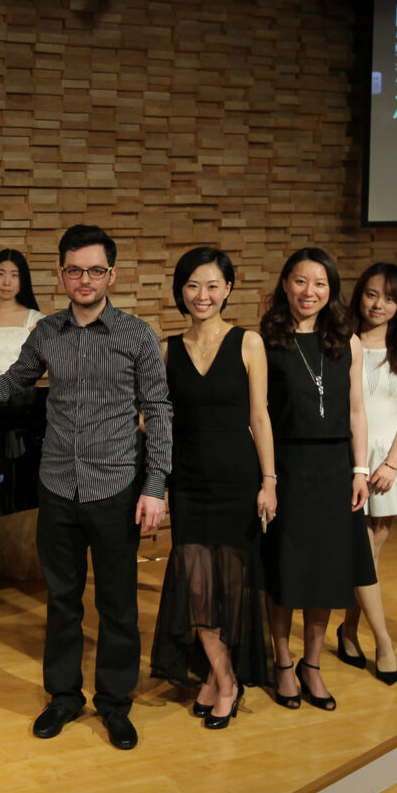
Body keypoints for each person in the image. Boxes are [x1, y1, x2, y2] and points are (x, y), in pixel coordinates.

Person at [0, 225, 172, 750]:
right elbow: (12, 381)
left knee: (118, 604)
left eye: (95, 270)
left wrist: (156, 485)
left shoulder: (137, 336)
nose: (85, 279)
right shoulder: (48, 332)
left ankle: (115, 703)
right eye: (75, 269)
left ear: (111, 275)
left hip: (116, 487)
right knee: (62, 599)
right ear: (60, 274)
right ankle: (63, 697)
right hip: (57, 485)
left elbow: (160, 411)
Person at [150, 247, 276, 730]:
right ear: (181, 292)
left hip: (237, 479)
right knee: (197, 587)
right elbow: (157, 421)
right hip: (189, 481)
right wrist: (156, 481)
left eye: (211, 285)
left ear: (227, 289)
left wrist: (269, 481)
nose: (202, 295)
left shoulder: (249, 343)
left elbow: (259, 417)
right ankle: (225, 678)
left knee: (231, 586)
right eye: (192, 285)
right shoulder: (167, 349)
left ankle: (218, 678)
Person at [260, 248, 375, 712]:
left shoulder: (349, 341)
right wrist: (266, 476)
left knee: (327, 573)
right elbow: (259, 413)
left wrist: (360, 468)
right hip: (287, 466)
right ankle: (282, 662)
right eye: (301, 281)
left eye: (321, 283)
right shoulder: (264, 341)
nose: (311, 292)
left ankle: (312, 664)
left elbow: (356, 409)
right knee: (286, 568)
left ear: (332, 290)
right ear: (286, 284)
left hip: (334, 470)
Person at [336, 263, 397, 686]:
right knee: (360, 553)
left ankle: (351, 629)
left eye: (390, 297)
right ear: (360, 295)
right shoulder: (339, 341)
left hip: (389, 458)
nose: (379, 304)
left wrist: (391, 462)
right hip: (349, 457)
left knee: (368, 553)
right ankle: (382, 640)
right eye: (372, 294)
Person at [0, 249, 44, 378]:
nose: (6, 282)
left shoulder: (36, 320)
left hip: (22, 394)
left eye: (14, 275)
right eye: (0, 274)